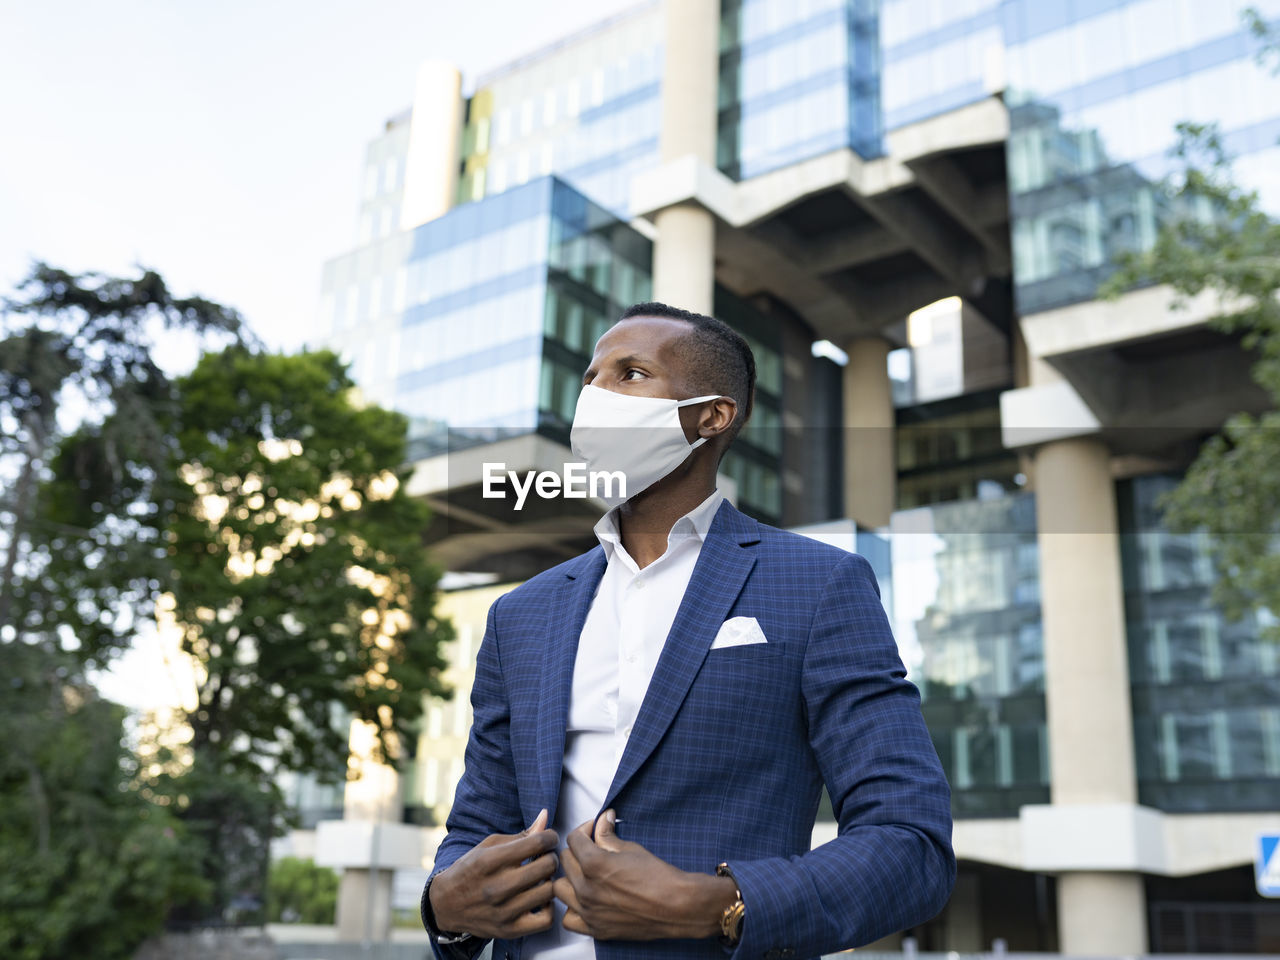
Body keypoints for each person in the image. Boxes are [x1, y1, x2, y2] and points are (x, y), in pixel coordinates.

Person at [421, 302, 955, 960]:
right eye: (590, 378)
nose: (595, 395)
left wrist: (718, 905)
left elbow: (911, 843)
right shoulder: (520, 614)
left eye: (631, 374)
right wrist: (440, 905)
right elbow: (477, 830)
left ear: (713, 414)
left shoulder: (818, 585)